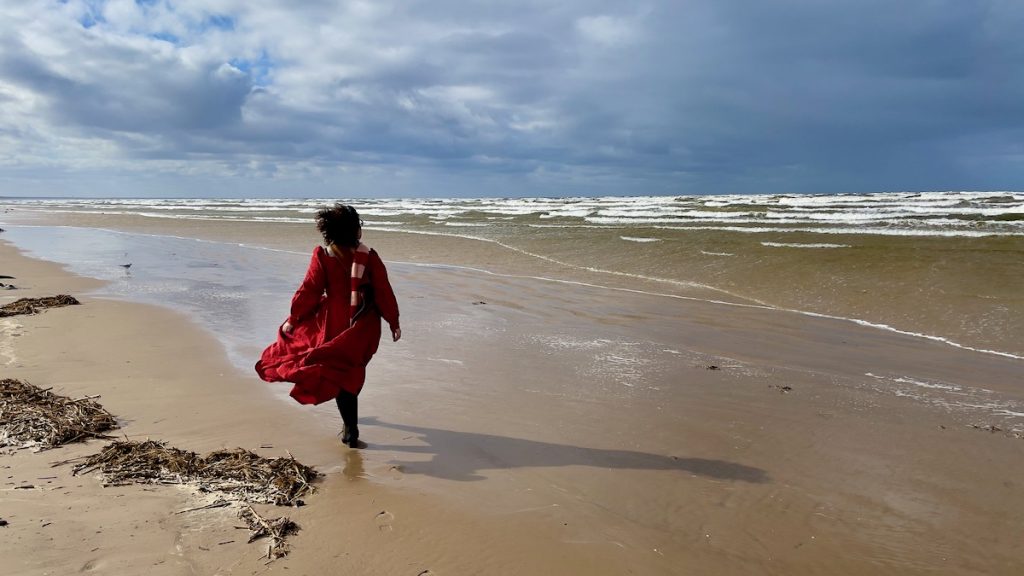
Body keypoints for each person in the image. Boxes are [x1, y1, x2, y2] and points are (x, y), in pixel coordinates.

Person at [255, 204, 401, 448]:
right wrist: (393, 321)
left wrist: (294, 319)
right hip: (363, 322)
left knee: (339, 371)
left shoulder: (324, 256)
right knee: (351, 370)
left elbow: (309, 290)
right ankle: (350, 426)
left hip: (334, 321)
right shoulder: (368, 256)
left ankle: (350, 427)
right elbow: (383, 291)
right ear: (355, 231)